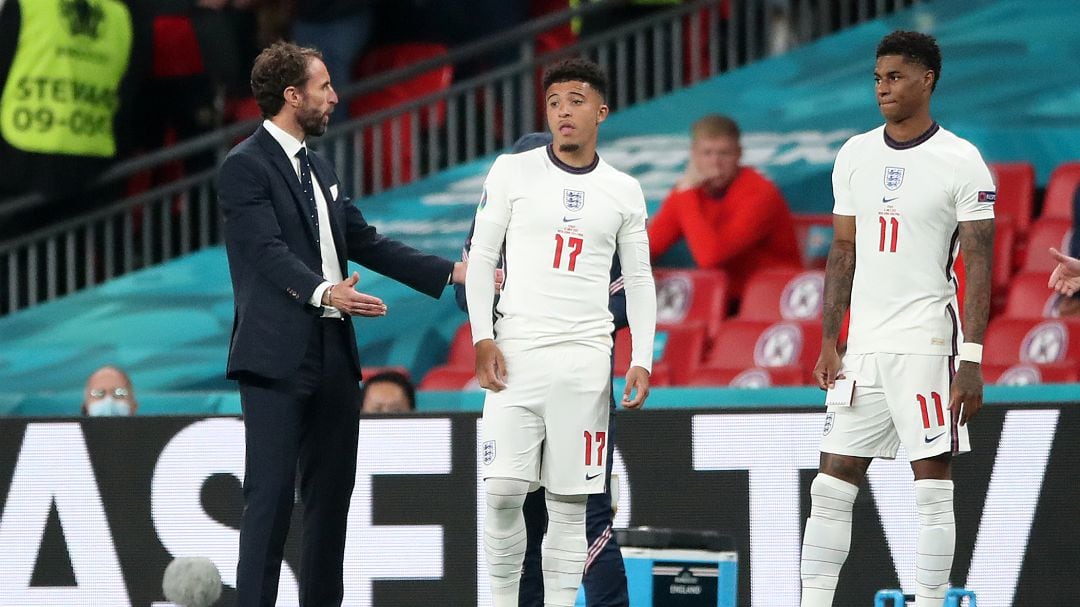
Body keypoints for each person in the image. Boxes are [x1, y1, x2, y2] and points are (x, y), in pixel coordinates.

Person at [218, 41, 465, 607]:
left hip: (333, 351)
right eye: (324, 86)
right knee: (271, 498)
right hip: (277, 355)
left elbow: (363, 241)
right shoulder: (244, 166)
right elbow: (267, 252)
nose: (334, 96)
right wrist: (326, 290)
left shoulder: (321, 166)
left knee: (331, 503)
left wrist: (452, 272)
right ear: (292, 95)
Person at [800, 31, 995, 607]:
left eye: (896, 76)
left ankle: (931, 601)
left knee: (932, 487)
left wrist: (973, 361)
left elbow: (979, 264)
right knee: (830, 483)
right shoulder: (855, 153)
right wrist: (829, 340)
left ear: (927, 79)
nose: (883, 87)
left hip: (927, 342)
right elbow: (843, 249)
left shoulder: (961, 159)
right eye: (878, 77)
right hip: (863, 345)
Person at [465, 58, 656, 607]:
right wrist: (483, 337)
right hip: (516, 353)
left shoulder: (624, 190)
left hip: (585, 362)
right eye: (553, 103)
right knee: (502, 492)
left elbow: (639, 280)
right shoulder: (511, 171)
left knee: (571, 507)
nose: (562, 111)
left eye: (575, 100)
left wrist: (641, 356)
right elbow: (480, 258)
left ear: (601, 111)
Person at [646, 114, 800, 303]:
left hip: (775, 299)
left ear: (739, 154)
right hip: (723, 300)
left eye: (724, 153)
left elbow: (711, 257)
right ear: (693, 155)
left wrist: (686, 194)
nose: (715, 162)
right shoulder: (690, 192)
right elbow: (648, 245)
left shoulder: (759, 193)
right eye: (707, 153)